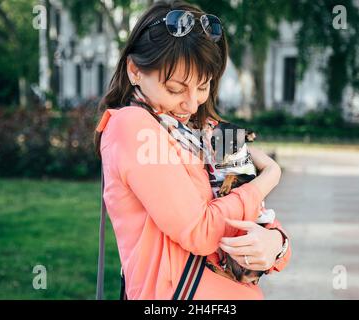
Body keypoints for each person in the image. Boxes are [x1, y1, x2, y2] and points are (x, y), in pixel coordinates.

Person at [94, 0, 291, 300]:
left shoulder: (211, 130)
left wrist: (275, 245)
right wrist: (268, 179)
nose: (190, 103)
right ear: (134, 70)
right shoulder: (132, 126)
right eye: (175, 89)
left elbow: (262, 221)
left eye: (203, 86)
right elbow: (200, 231)